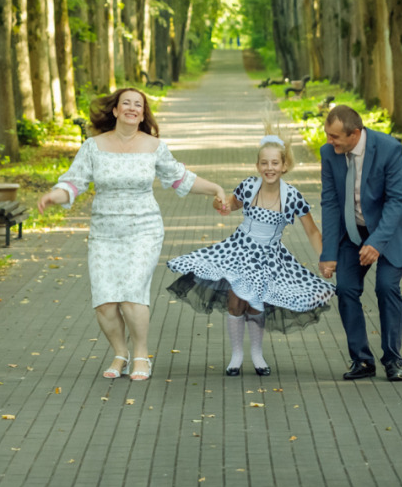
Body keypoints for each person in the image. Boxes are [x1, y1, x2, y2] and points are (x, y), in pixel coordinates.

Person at [37, 87, 228, 382]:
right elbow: (73, 184)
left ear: (142, 114)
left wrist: (215, 189)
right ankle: (120, 352)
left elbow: (180, 178)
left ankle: (141, 354)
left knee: (131, 293)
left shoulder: (153, 146)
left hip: (144, 230)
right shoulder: (93, 146)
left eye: (137, 105)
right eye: (125, 103)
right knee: (105, 301)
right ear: (115, 111)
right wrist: (54, 196)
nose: (131, 108)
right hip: (104, 232)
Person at [165, 135, 333, 376]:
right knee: (236, 301)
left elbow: (312, 231)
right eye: (264, 163)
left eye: (275, 163)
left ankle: (257, 355)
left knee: (256, 305)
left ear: (284, 166)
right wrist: (219, 205)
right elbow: (229, 205)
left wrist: (324, 260)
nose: (269, 168)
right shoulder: (248, 186)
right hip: (239, 251)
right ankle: (236, 356)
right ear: (257, 166)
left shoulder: (292, 197)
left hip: (269, 258)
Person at [317, 105, 402, 381]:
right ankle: (361, 360)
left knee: (387, 287)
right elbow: (330, 202)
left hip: (389, 233)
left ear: (355, 134)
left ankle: (392, 360)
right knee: (346, 289)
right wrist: (328, 253)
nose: (329, 141)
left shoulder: (389, 149)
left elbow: (397, 200)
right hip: (353, 232)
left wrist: (376, 242)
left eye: (334, 136)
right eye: (327, 134)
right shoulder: (329, 154)